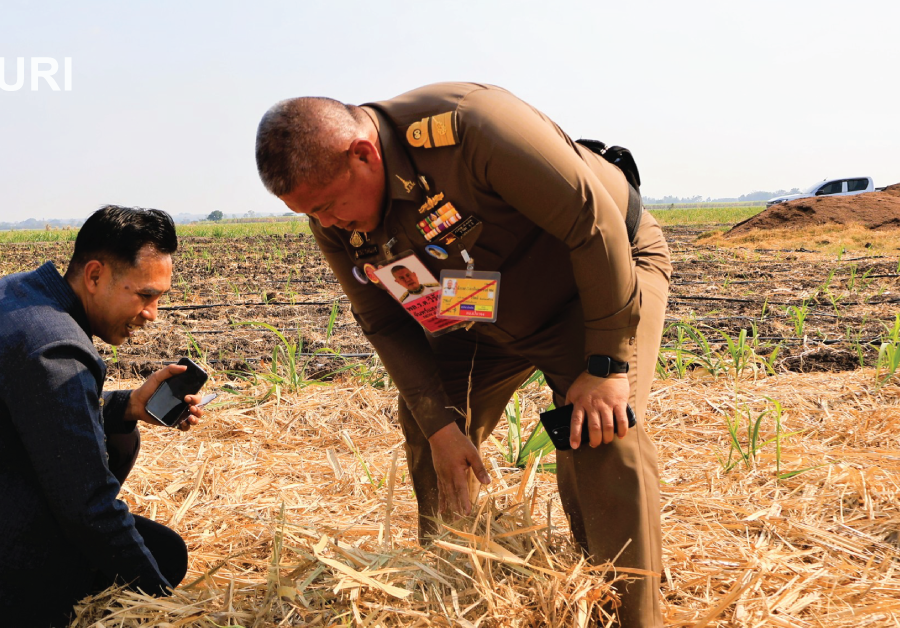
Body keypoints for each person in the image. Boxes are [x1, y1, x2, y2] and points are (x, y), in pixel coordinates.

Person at [255, 83, 671, 627]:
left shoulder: (472, 130)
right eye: (310, 213)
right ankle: (452, 584)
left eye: (329, 206)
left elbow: (595, 229)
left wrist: (608, 366)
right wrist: (441, 428)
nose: (327, 224)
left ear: (363, 154)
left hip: (588, 284)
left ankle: (626, 607)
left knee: (595, 426)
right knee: (433, 420)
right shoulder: (331, 213)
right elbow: (382, 319)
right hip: (479, 306)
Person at [0, 206, 205, 628]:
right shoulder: (54, 348)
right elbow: (89, 507)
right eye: (145, 296)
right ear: (95, 276)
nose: (152, 314)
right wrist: (163, 605)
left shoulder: (20, 293)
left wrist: (130, 405)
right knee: (159, 559)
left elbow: (43, 417)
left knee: (159, 546)